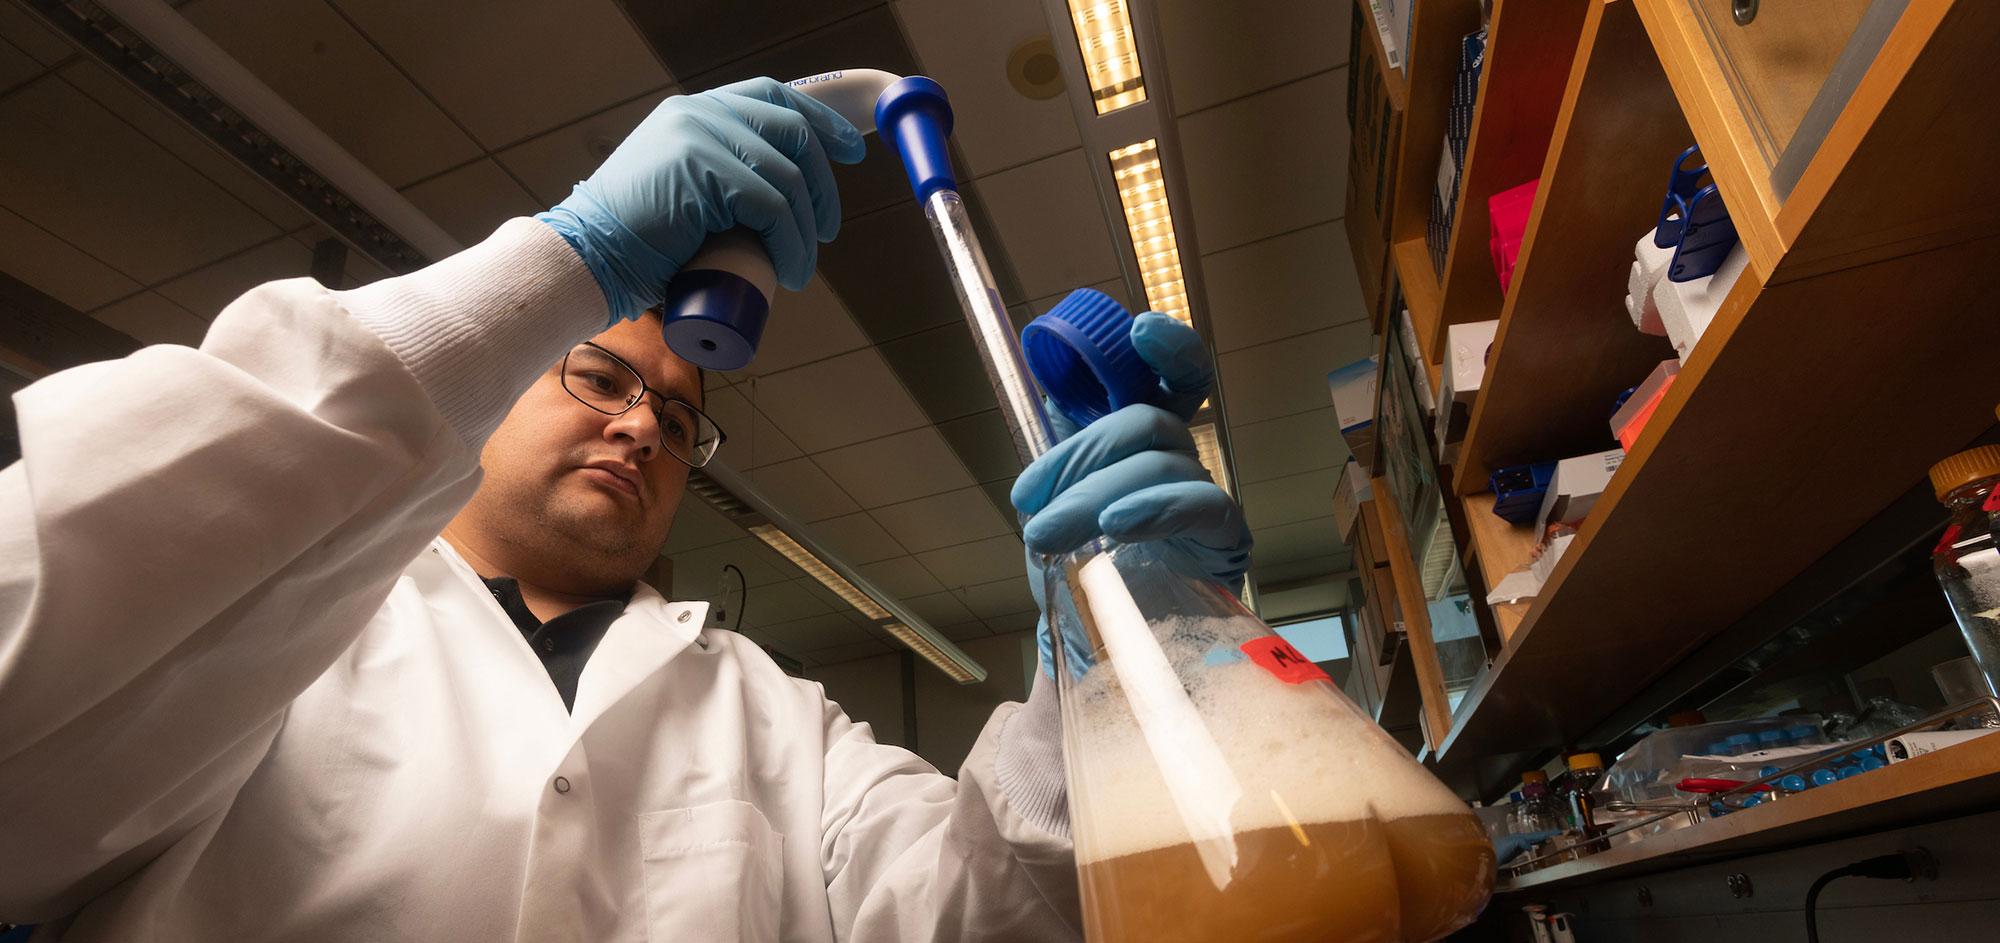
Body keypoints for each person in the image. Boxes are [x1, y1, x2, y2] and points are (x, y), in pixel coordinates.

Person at [0, 78, 1251, 941]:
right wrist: (561, 260)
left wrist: (1106, 683)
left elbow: (984, 921)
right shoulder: (286, 627)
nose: (644, 422)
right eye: (598, 374)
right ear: (492, 384)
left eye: (675, 414)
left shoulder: (772, 713)